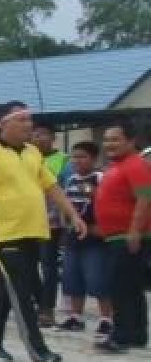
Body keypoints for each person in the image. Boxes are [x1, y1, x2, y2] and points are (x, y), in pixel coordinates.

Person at [0, 102, 86, 362]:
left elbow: (51, 187)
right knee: (21, 291)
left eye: (30, 120)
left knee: (7, 288)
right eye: (22, 119)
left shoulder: (32, 153)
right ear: (3, 124)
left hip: (31, 231)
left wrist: (73, 215)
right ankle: (38, 351)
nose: (28, 125)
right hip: (2, 235)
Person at [96, 122, 151, 351]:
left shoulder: (135, 164)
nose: (109, 144)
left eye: (115, 139)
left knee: (121, 287)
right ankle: (135, 335)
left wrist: (135, 230)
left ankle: (121, 335)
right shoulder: (117, 165)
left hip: (126, 235)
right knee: (130, 286)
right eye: (107, 139)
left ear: (131, 141)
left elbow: (145, 197)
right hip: (116, 236)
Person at [57, 141, 116, 348]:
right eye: (74, 157)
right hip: (74, 236)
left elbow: (109, 204)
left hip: (95, 236)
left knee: (97, 277)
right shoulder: (71, 179)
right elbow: (66, 204)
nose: (77, 161)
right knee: (72, 277)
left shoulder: (100, 178)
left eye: (82, 157)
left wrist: (100, 227)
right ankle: (75, 317)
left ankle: (106, 319)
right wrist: (66, 224)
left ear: (94, 159)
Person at [32, 122, 69, 326]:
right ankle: (36, 303)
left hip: (52, 223)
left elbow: (65, 189)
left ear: (53, 137)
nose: (38, 138)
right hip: (26, 221)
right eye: (35, 135)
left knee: (49, 267)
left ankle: (47, 309)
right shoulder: (27, 157)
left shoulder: (64, 160)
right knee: (28, 266)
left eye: (43, 134)